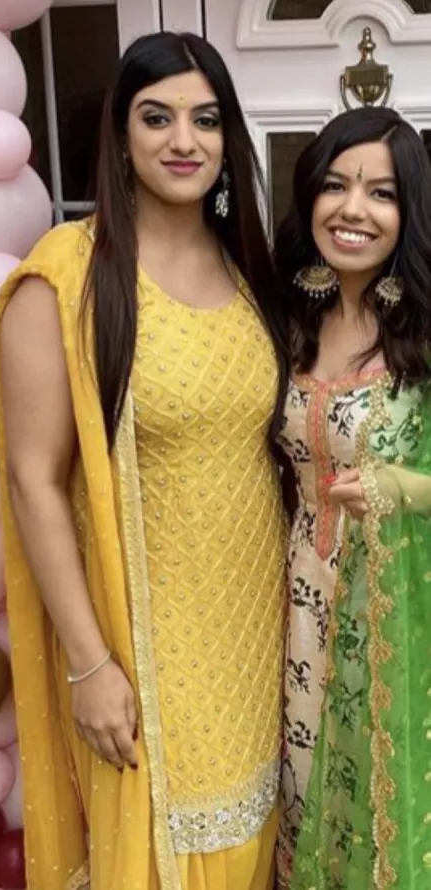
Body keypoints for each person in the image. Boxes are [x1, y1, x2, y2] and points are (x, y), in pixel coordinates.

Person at [0, 31, 289, 890]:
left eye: (206, 120)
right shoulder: (70, 277)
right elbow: (34, 481)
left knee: (255, 838)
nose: (183, 140)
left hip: (256, 633)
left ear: (229, 139)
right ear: (121, 137)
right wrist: (91, 665)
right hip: (148, 648)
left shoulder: (247, 268)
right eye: (157, 118)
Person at [274, 105, 431, 889]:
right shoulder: (286, 320)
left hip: (394, 609)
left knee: (380, 813)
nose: (354, 209)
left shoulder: (423, 332)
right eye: (336, 185)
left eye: (382, 192)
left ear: (409, 212)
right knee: (305, 790)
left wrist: (406, 488)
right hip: (295, 603)